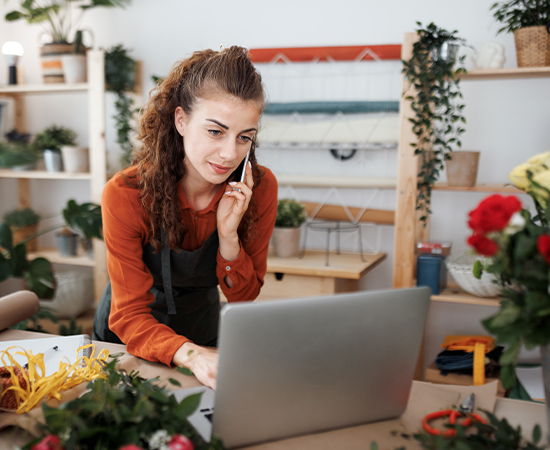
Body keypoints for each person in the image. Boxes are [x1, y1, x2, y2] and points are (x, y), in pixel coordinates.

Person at [93, 46, 278, 390]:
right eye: (215, 131)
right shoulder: (126, 194)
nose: (229, 154)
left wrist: (228, 237)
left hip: (203, 336)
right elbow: (129, 314)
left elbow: (244, 297)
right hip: (126, 340)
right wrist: (189, 355)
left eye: (244, 138)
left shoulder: (260, 189)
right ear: (181, 120)